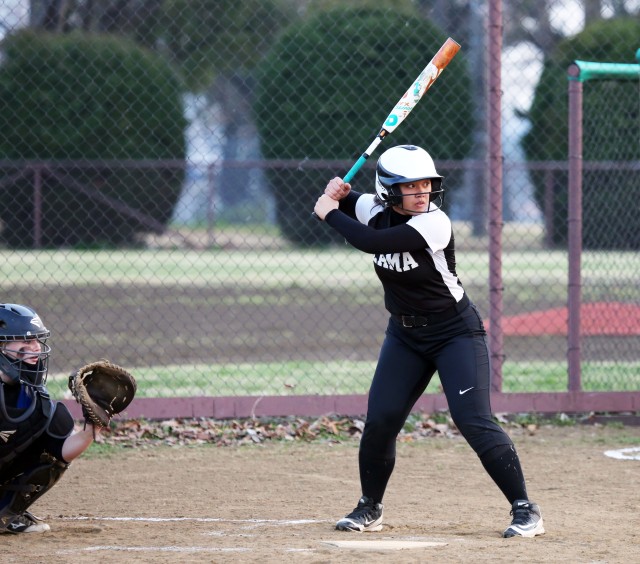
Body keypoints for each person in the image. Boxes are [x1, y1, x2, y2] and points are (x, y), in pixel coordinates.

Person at [313, 145, 544, 538]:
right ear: (388, 191)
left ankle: (526, 510)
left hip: (454, 332)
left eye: (427, 184)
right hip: (404, 335)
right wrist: (340, 192)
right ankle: (370, 507)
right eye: (411, 186)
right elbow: (355, 200)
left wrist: (329, 212)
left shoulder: (433, 223)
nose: (422, 193)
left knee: (473, 420)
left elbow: (372, 243)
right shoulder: (375, 208)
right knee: (381, 421)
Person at [0, 303, 98, 534]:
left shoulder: (38, 402)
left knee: (53, 437)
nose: (35, 349)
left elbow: (61, 452)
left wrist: (93, 428)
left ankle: (5, 512)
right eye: (25, 342)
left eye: (37, 341)